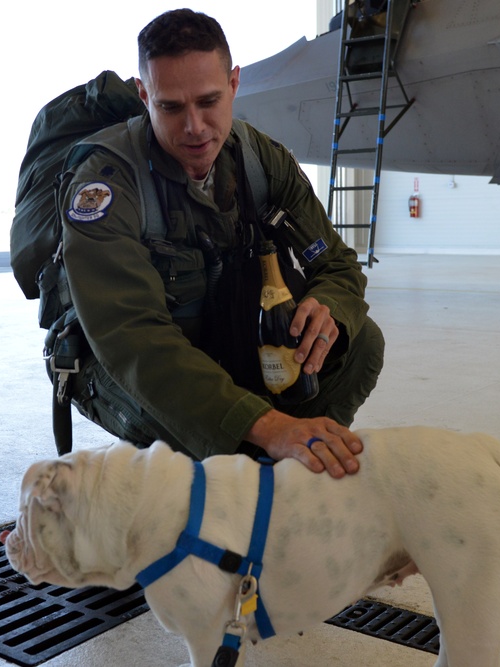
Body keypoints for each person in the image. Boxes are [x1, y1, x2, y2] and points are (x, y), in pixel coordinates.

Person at [57, 8, 384, 478]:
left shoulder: (259, 160)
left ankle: (287, 473)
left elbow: (336, 264)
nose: (195, 127)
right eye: (171, 106)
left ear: (234, 84)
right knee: (217, 455)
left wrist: (328, 307)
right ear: (144, 94)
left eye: (209, 100)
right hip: (128, 366)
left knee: (362, 342)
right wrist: (266, 424)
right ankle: (262, 464)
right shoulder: (106, 186)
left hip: (226, 343)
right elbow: (133, 338)